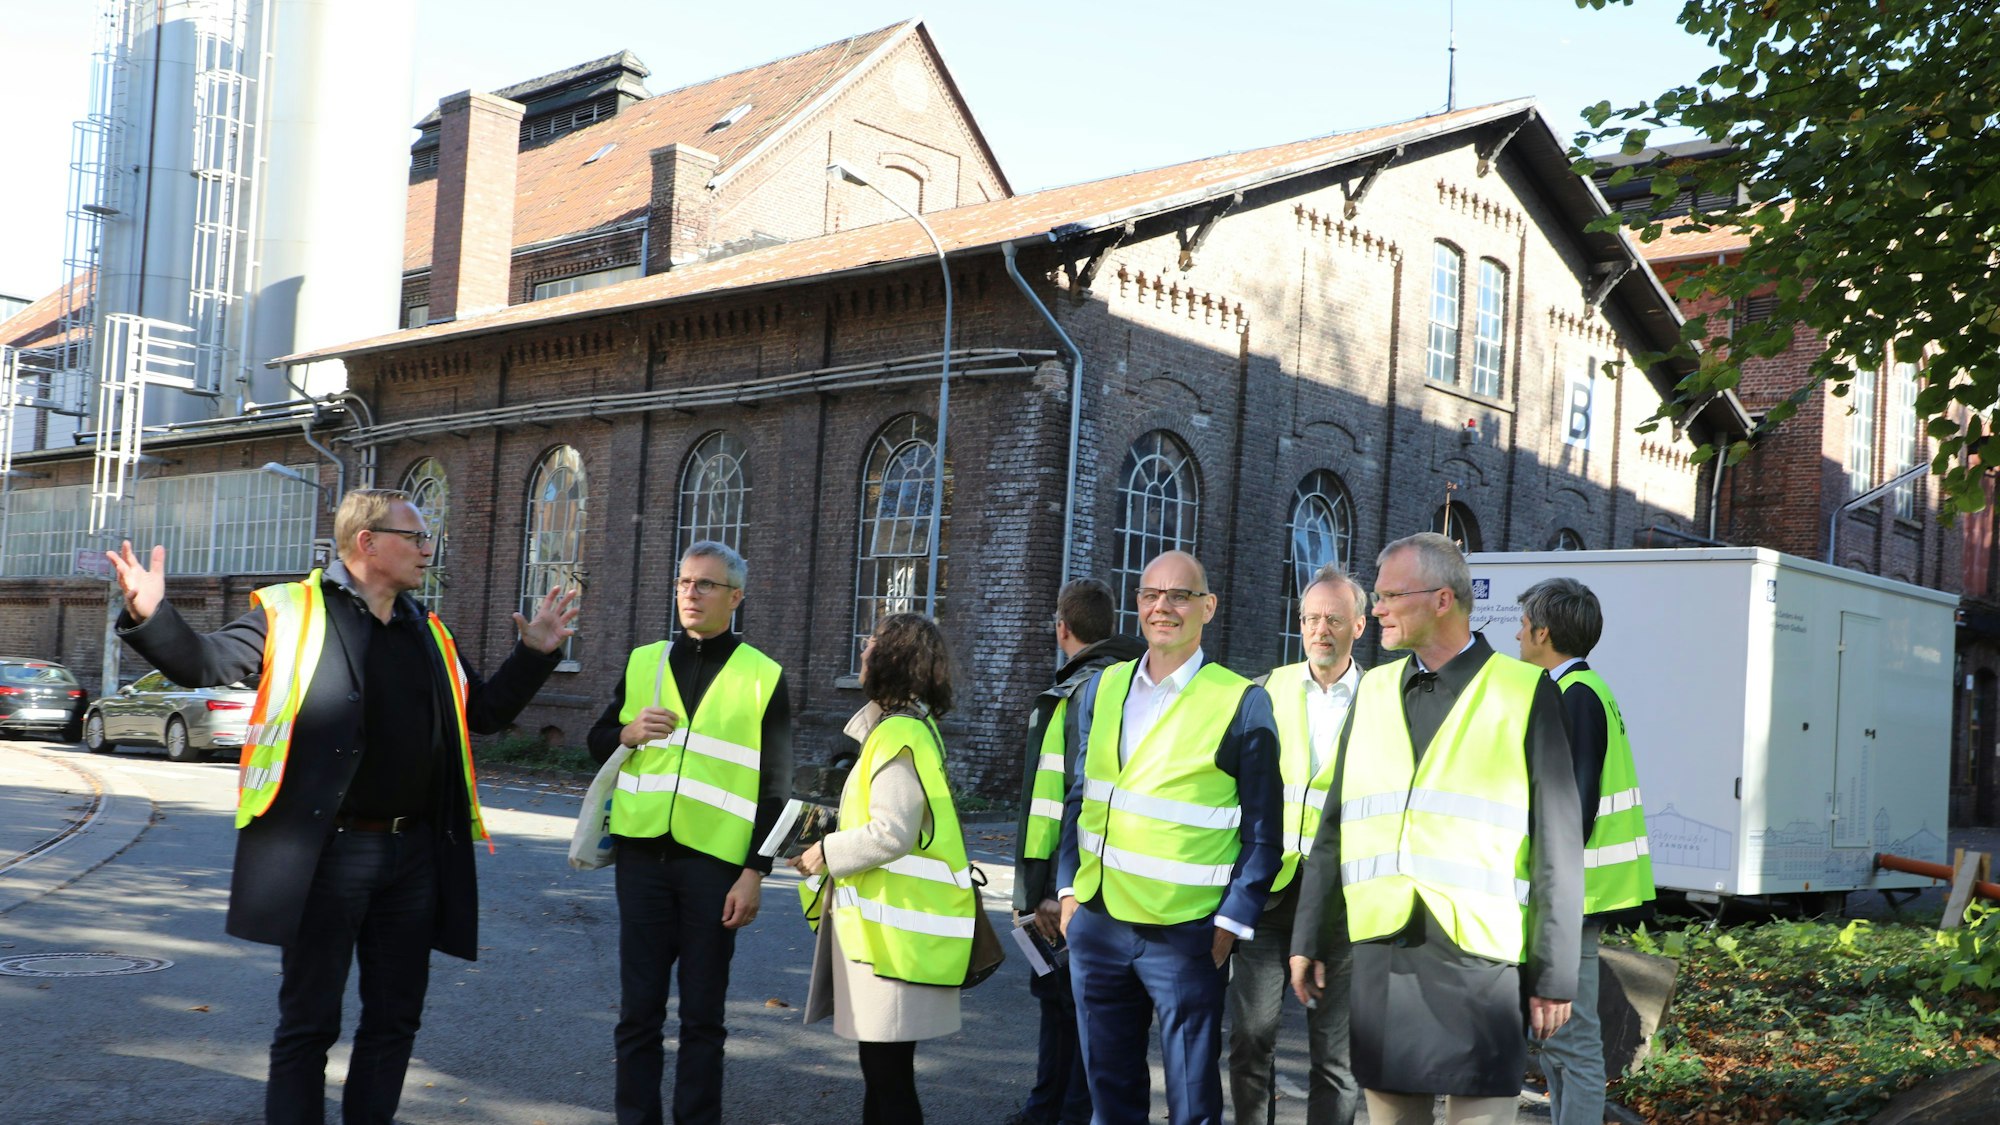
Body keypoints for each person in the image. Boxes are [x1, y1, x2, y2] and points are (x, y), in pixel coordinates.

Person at [106, 488, 577, 1125]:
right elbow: (207, 662)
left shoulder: (426, 629)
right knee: (309, 1023)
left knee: (394, 1021)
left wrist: (537, 654)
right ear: (367, 542)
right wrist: (153, 615)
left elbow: (482, 716)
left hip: (413, 856)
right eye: (415, 538)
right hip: (327, 854)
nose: (427, 550)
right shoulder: (291, 612)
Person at [1288, 532, 1582, 1125]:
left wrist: (1555, 973)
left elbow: (1559, 844)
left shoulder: (1525, 692)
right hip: (1384, 958)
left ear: (1443, 599)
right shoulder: (1371, 691)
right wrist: (1308, 937)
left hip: (1480, 964)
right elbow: (1335, 826)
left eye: (1391, 595)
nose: (1376, 609)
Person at [1056, 549, 1284, 1125]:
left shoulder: (1242, 701)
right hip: (1099, 923)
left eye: (1179, 595)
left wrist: (1231, 922)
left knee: (1192, 1102)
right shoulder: (1101, 690)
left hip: (1187, 934)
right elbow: (1080, 797)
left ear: (1207, 607)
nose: (1164, 606)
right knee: (1109, 1094)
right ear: (1138, 606)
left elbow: (1264, 831)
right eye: (1152, 594)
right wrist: (1066, 893)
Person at [585, 540, 793, 1125]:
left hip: (716, 867)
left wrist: (755, 871)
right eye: (683, 583)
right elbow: (598, 740)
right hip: (642, 858)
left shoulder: (763, 676)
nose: (691, 594)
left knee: (703, 1016)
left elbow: (776, 788)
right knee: (638, 1012)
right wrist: (625, 734)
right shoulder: (644, 660)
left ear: (736, 597)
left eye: (705, 584)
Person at [790, 613, 975, 1125]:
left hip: (891, 939)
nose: (864, 648)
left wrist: (826, 852)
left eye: (872, 641)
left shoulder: (897, 734)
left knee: (889, 1082)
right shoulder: (911, 729)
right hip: (893, 934)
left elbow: (893, 831)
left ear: (894, 658)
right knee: (886, 1077)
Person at [1228, 564, 1367, 1125]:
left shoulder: (1384, 698)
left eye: (1334, 619)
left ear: (1360, 625)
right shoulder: (1266, 689)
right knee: (1249, 1039)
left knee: (1336, 1059)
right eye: (1310, 618)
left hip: (1343, 902)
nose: (1320, 630)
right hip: (1272, 891)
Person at [1515, 577, 1655, 1125]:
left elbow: (1571, 807)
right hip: (1584, 893)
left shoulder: (1573, 697)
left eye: (1523, 625)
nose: (1517, 634)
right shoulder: (1586, 690)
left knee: (1571, 1043)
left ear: (1544, 633)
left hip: (1576, 896)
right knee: (1558, 1044)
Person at [1007, 577, 1144, 1125]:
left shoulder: (1073, 694)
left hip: (1064, 884)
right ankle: (1049, 1108)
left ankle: (1057, 1112)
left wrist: (1044, 892)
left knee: (1068, 1002)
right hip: (1108, 878)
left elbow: (1058, 799)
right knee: (1074, 1003)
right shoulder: (1132, 683)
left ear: (1062, 629)